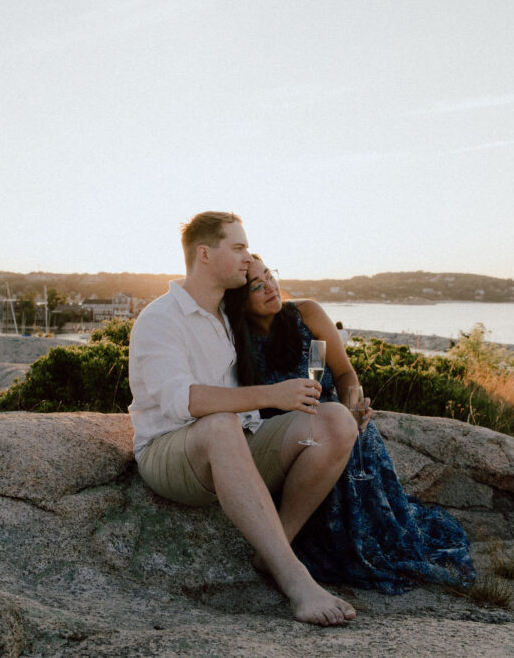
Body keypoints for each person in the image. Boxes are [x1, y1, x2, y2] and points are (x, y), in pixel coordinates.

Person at [128, 212, 358, 626]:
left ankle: (271, 551)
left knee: (336, 421)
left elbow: (313, 351)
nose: (246, 256)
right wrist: (272, 394)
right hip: (171, 451)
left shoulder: (229, 319)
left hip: (240, 443)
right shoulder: (161, 319)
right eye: (237, 248)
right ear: (204, 254)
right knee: (220, 424)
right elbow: (183, 400)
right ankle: (296, 579)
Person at [224, 256, 476, 593]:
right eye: (257, 285)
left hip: (338, 421)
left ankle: (290, 547)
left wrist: (355, 407)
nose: (270, 287)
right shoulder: (232, 340)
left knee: (351, 436)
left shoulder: (306, 313)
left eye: (270, 275)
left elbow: (344, 373)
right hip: (289, 440)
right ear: (240, 300)